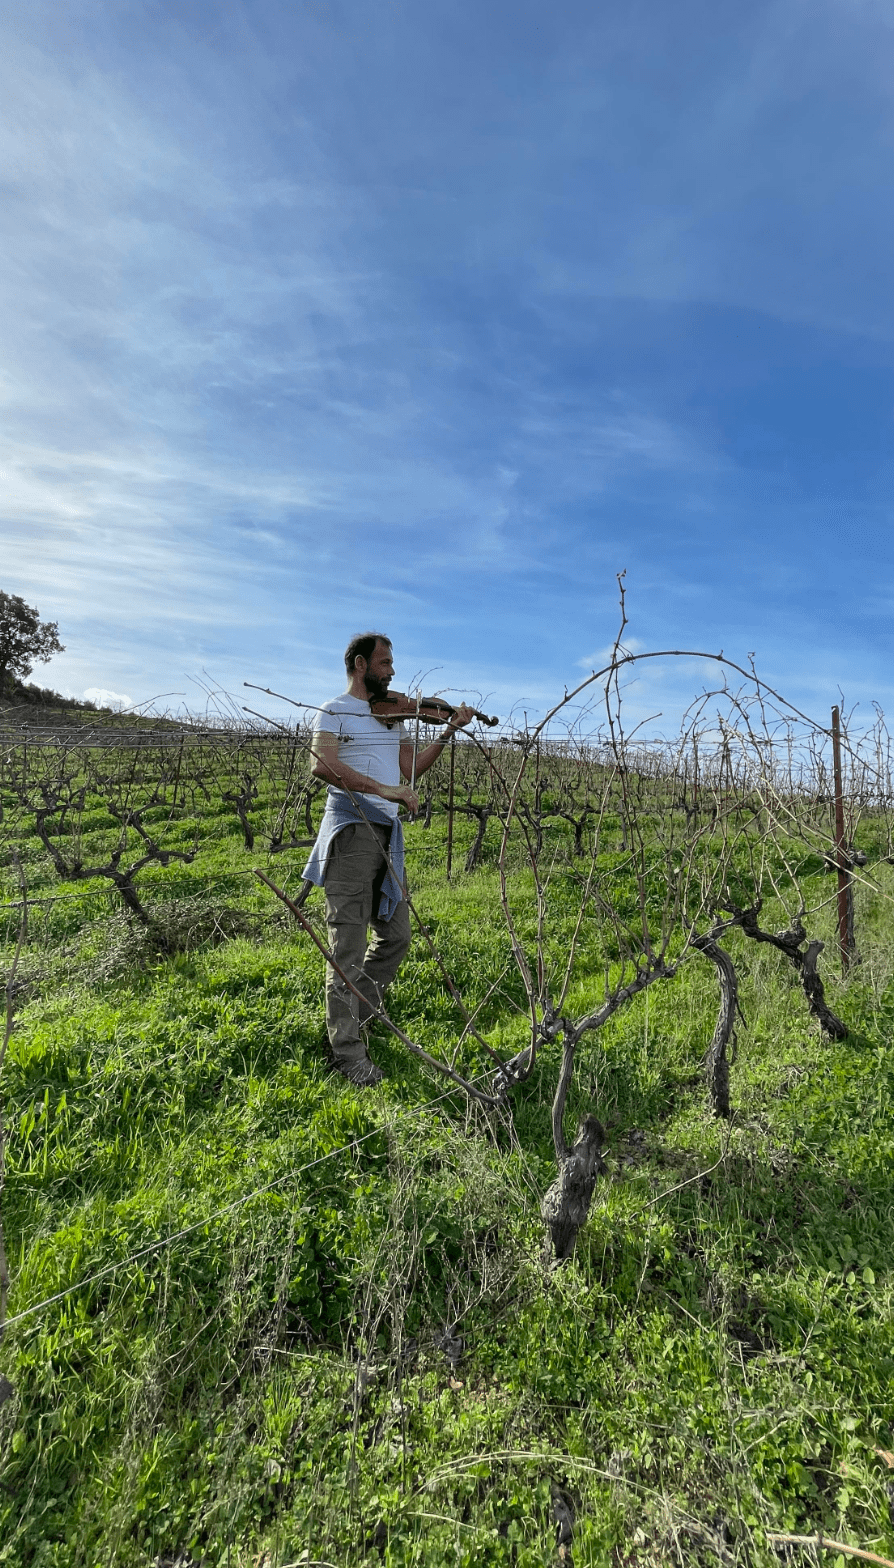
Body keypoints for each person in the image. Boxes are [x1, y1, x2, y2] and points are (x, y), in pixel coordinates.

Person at [303, 632, 474, 1085]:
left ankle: (356, 1016)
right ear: (361, 665)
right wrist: (383, 790)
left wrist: (450, 729)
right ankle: (346, 1053)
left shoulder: (391, 719)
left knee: (397, 936)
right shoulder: (333, 710)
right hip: (352, 831)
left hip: (386, 835)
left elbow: (411, 768)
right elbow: (322, 764)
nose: (392, 671)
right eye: (385, 663)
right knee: (348, 950)